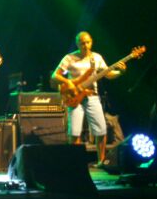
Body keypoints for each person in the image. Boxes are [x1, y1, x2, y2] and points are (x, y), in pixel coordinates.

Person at [52, 31, 126, 165]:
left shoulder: (96, 57)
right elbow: (55, 76)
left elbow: (108, 74)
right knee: (74, 132)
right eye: (82, 43)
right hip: (74, 97)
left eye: (87, 42)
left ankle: (101, 161)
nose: (85, 45)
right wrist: (68, 82)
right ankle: (76, 162)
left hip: (92, 96)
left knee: (101, 130)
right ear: (77, 44)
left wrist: (120, 72)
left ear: (91, 42)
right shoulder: (69, 58)